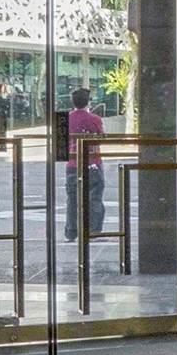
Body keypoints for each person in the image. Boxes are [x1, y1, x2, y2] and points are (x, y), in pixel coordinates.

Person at [63, 85, 106, 239]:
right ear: (89, 102)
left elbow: (60, 145)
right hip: (93, 162)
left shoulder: (65, 119)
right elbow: (101, 138)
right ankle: (93, 230)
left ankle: (71, 231)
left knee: (72, 198)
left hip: (72, 165)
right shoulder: (95, 119)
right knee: (95, 197)